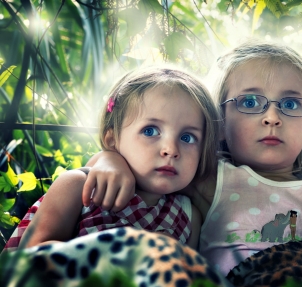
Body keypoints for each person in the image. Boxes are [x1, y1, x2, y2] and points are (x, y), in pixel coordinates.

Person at [81, 39, 302, 277]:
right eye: (250, 102)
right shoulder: (208, 177)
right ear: (217, 124)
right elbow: (146, 165)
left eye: (290, 104)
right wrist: (110, 159)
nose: (272, 117)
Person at [5, 66, 220, 251]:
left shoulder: (188, 217)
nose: (171, 149)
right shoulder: (80, 187)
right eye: (150, 131)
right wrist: (129, 248)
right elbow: (31, 257)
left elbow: (190, 282)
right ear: (112, 139)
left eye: (187, 137)